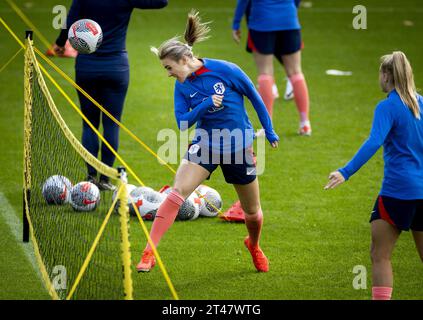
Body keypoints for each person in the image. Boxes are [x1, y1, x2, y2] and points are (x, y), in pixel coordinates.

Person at [136, 10, 279, 273]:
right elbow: (182, 123)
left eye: (169, 67)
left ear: (185, 59)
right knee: (176, 193)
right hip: (206, 145)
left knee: (252, 213)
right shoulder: (181, 85)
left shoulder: (226, 70)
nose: (168, 74)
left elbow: (255, 98)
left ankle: (254, 245)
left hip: (238, 146)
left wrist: (269, 131)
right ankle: (149, 251)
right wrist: (203, 106)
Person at [325, 52, 423, 300]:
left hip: (397, 191)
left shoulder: (387, 106)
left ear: (387, 75)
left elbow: (373, 142)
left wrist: (345, 172)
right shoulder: (421, 103)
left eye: (380, 73)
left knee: (380, 255)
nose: (378, 78)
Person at [54, 0, 168, 190]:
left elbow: (70, 21)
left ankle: (90, 178)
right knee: (111, 123)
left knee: (89, 124)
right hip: (116, 67)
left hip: (87, 67)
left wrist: (59, 43)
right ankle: (105, 179)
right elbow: (161, 2)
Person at [232, 0, 311, 136]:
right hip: (289, 20)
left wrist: (236, 23)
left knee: (265, 73)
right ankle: (305, 124)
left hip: (262, 22)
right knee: (296, 72)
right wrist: (291, 9)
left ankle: (267, 127)